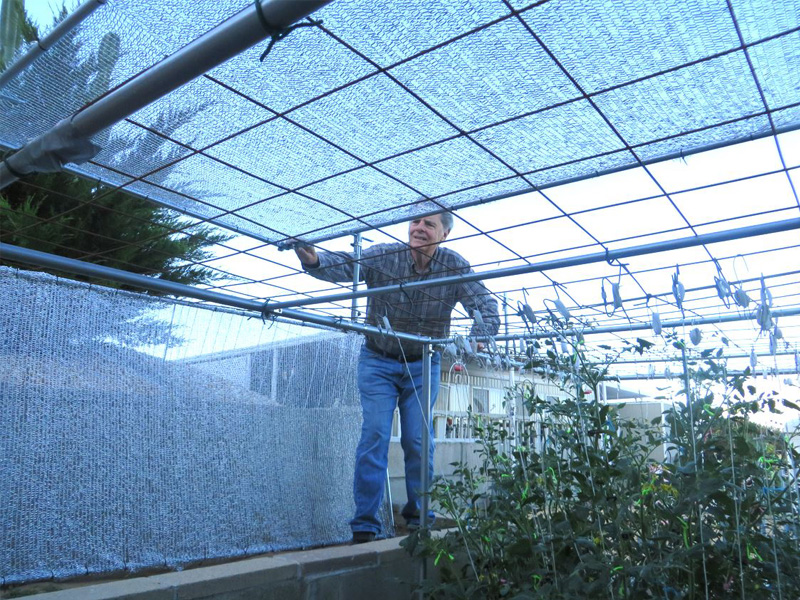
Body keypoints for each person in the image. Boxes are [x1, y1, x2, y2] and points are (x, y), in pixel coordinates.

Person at [295, 211, 499, 543]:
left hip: (423, 363)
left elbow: (485, 304)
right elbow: (347, 264)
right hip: (378, 359)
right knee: (374, 435)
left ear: (444, 234)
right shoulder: (384, 255)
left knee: (418, 439)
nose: (419, 228)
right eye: (415, 222)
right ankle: (364, 524)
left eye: (429, 224)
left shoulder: (455, 266)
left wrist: (479, 334)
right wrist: (313, 257)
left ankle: (420, 516)